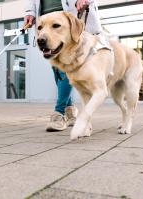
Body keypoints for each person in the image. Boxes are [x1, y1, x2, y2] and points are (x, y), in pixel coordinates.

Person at [24, 0, 108, 131]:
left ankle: (59, 112)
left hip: (69, 15)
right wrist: (30, 12)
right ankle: (70, 113)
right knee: (57, 70)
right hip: (45, 15)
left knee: (66, 66)